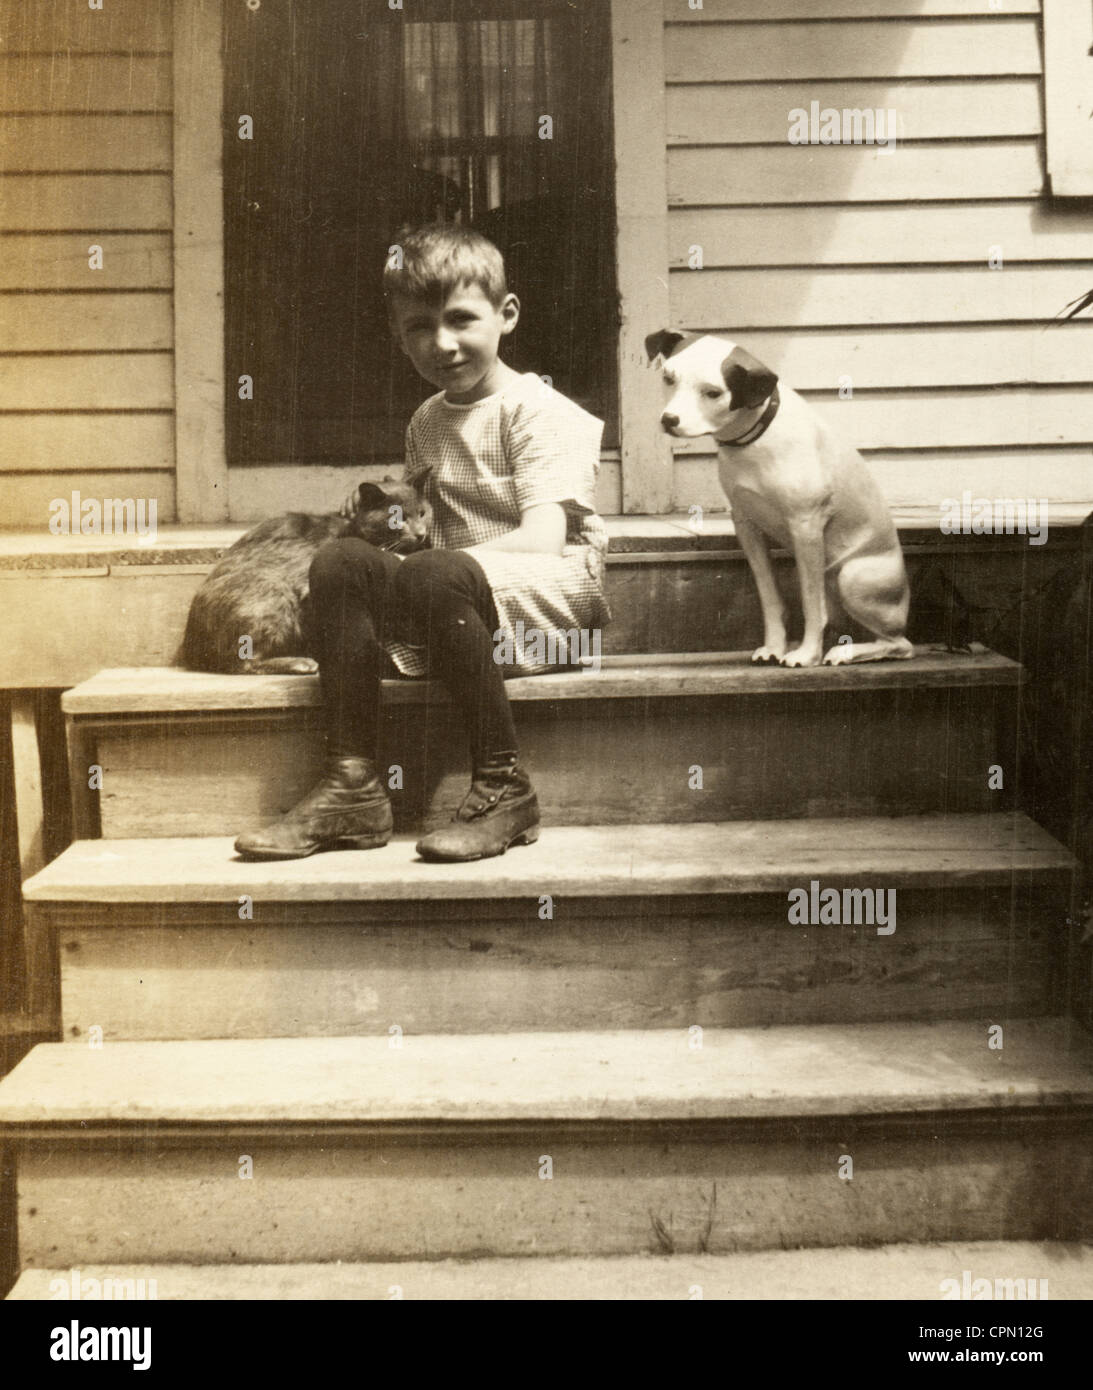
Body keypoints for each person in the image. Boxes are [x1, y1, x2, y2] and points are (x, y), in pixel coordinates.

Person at [234, 223, 610, 864]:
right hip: (450, 600)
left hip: (550, 601)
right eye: (418, 326)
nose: (443, 343)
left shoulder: (540, 411)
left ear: (506, 314)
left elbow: (546, 540)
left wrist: (421, 569)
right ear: (398, 334)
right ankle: (352, 784)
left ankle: (503, 786)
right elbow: (416, 532)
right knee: (342, 561)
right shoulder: (427, 421)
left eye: (462, 319)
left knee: (430, 573)